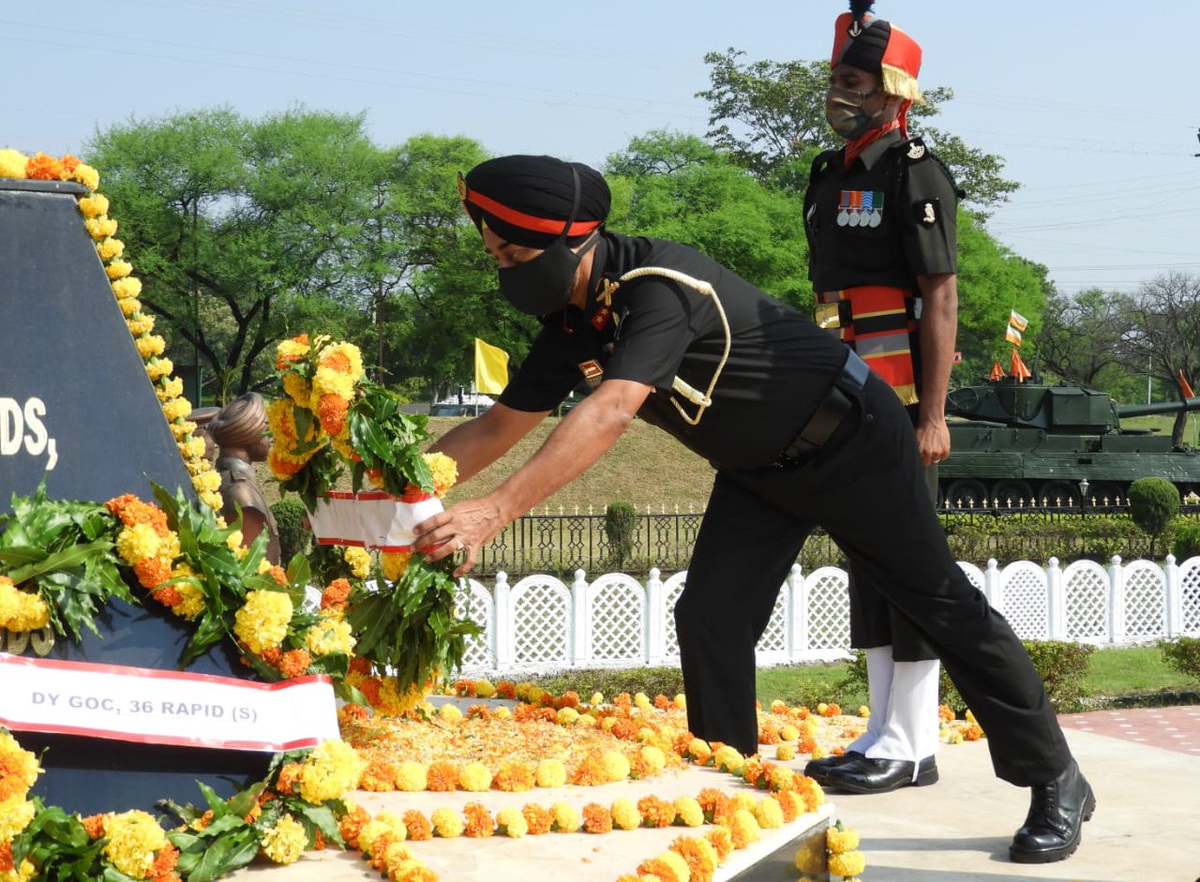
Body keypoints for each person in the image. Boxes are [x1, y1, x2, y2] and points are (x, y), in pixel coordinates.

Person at [412, 154, 1093, 864]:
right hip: (757, 470)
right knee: (711, 613)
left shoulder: (657, 289)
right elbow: (496, 426)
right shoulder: (574, 325)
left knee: (939, 602)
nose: (505, 271)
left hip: (853, 439)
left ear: (574, 239)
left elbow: (611, 411)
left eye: (515, 253)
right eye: (495, 255)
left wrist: (491, 514)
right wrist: (398, 489)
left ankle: (1056, 778)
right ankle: (733, 789)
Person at [800, 0, 958, 795]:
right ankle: (880, 731)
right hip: (846, 395)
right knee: (866, 559)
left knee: (910, 564)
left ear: (891, 93)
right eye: (835, 81)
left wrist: (932, 413)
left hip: (900, 401)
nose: (837, 96)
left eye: (852, 84)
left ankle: (914, 739)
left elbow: (939, 297)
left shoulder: (917, 174)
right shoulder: (828, 174)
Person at [207, 392, 280, 564]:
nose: (271, 438)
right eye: (267, 429)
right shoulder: (242, 494)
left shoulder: (219, 478)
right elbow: (254, 567)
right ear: (251, 433)